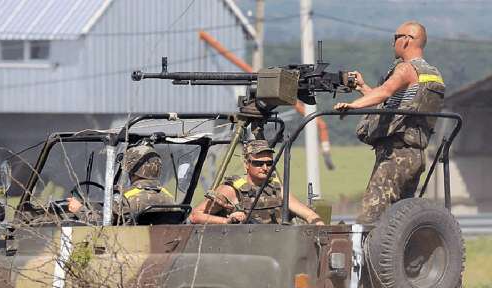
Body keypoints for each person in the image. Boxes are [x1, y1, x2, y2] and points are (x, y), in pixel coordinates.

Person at [334, 21, 445, 223]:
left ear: (406, 40)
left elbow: (384, 92)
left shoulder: (405, 69)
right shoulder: (431, 74)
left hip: (396, 154)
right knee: (398, 219)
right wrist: (363, 87)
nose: (393, 43)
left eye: (395, 38)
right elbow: (394, 106)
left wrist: (354, 105)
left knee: (371, 216)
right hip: (415, 154)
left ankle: (361, 253)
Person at [189, 139, 324, 225]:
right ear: (246, 164)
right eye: (259, 163)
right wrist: (226, 221)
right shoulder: (231, 190)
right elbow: (195, 216)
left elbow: (310, 215)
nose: (265, 168)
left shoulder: (277, 189)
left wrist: (319, 226)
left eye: (269, 163)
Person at [65, 142, 175, 223]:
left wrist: (79, 209)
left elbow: (101, 223)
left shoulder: (127, 199)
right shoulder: (169, 198)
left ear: (133, 169)